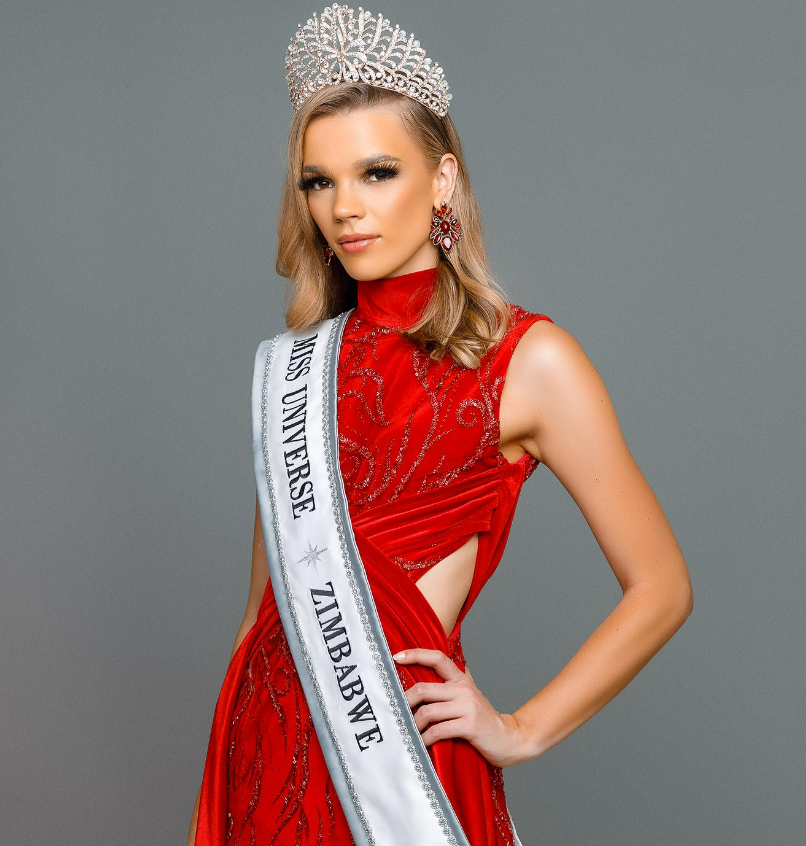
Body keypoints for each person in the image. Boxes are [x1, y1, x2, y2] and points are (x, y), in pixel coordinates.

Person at [189, 5, 693, 844]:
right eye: (319, 181)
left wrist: (521, 728)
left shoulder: (528, 360)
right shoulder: (297, 375)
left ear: (442, 180)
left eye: (377, 172)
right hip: (267, 757)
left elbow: (662, 587)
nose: (344, 207)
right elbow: (261, 619)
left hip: (398, 765)